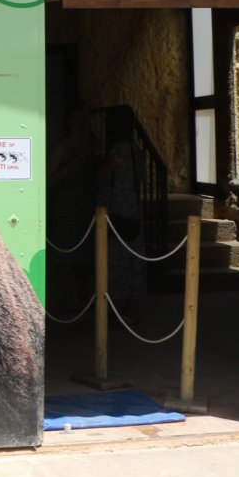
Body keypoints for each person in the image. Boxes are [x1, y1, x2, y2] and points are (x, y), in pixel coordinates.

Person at [94, 105, 147, 319]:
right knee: (134, 261)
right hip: (133, 209)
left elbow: (99, 176)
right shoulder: (135, 148)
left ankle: (122, 309)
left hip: (117, 211)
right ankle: (132, 307)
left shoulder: (119, 149)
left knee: (118, 261)